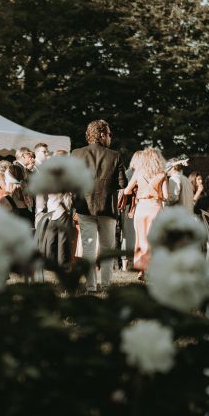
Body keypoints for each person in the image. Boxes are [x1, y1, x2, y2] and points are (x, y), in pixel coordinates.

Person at [71, 119, 127, 292]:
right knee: (107, 249)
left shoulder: (76, 154)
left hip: (84, 206)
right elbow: (123, 183)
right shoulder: (114, 155)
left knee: (88, 248)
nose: (110, 137)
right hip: (107, 209)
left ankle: (91, 286)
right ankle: (106, 285)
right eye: (109, 134)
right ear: (102, 134)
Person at [124, 147, 168, 279]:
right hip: (155, 207)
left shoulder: (138, 172)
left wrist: (138, 190)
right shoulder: (162, 173)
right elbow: (166, 196)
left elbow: (126, 191)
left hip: (141, 208)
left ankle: (141, 270)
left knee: (140, 239)